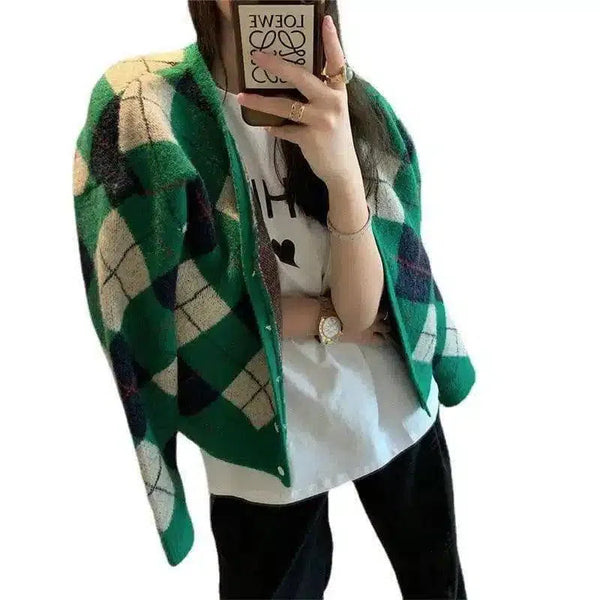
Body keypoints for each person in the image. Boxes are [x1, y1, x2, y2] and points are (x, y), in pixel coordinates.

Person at [73, 1, 475, 598]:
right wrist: (322, 317)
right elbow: (162, 310)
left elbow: (366, 310)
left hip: (388, 401)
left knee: (437, 585)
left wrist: (342, 170)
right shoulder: (147, 107)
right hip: (255, 430)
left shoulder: (352, 104)